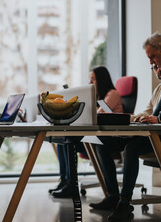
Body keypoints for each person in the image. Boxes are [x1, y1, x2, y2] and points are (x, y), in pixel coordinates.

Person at [90, 60, 161, 221]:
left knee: (131, 148)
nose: (158, 70)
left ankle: (124, 203)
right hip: (153, 136)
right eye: (154, 67)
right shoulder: (159, 89)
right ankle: (113, 196)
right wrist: (135, 118)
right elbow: (148, 111)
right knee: (103, 144)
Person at [50, 66, 123, 198]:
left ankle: (71, 184)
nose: (90, 83)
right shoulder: (99, 97)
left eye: (93, 79)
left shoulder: (112, 94)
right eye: (90, 79)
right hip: (97, 136)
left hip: (110, 138)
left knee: (69, 140)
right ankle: (66, 181)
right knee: (63, 140)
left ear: (102, 79)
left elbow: (98, 115)